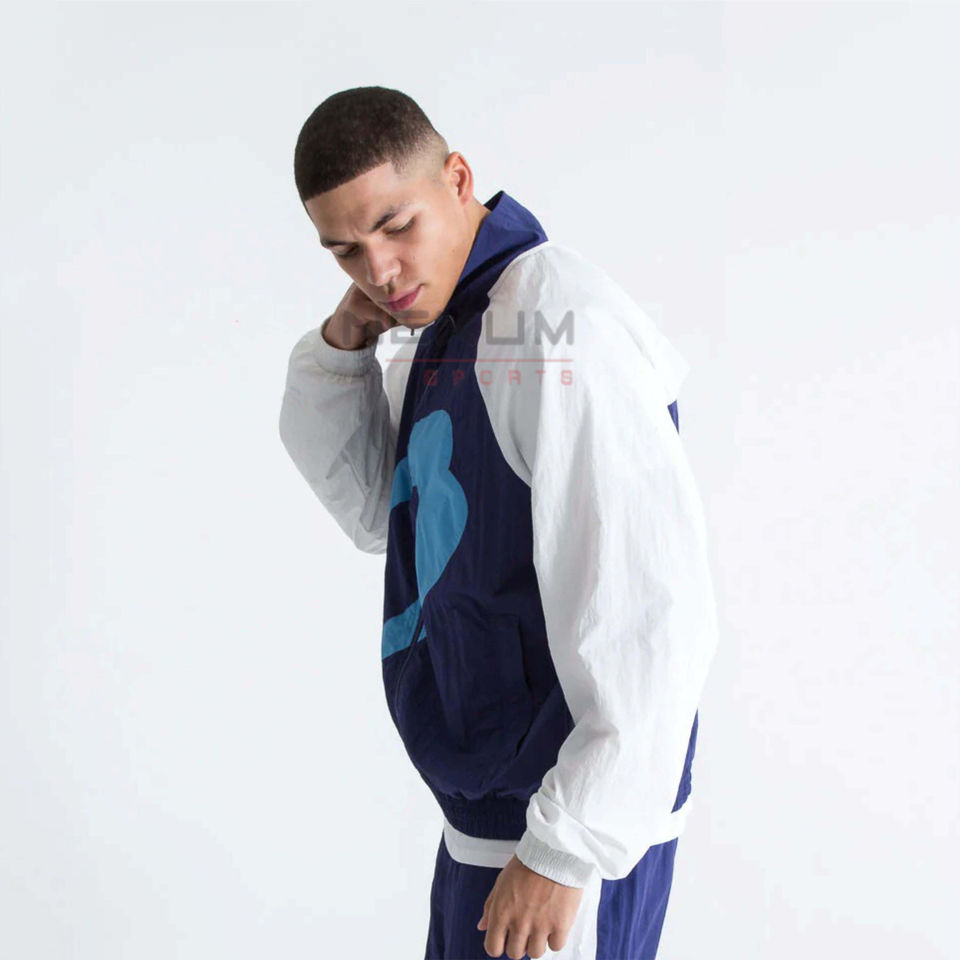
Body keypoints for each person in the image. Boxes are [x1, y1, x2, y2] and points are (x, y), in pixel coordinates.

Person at [278, 86, 719, 960]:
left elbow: (650, 606)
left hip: (557, 830)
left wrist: (566, 848)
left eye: (396, 226)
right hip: (491, 815)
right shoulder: (458, 319)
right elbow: (383, 515)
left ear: (457, 178)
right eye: (347, 251)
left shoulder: (557, 329)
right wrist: (344, 344)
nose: (380, 271)